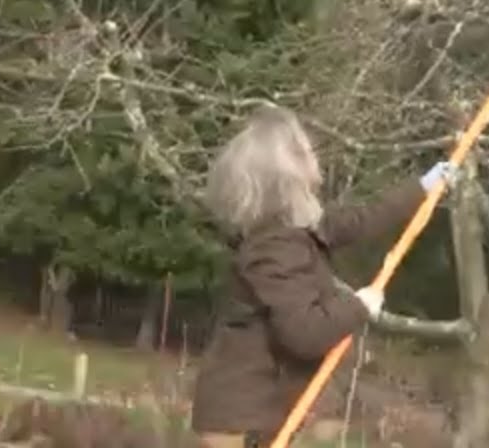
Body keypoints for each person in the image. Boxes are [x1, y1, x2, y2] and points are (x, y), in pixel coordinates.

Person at [190, 105, 454, 448]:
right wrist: (358, 306)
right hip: (240, 419)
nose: (313, 161)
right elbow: (305, 332)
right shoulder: (272, 248)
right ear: (285, 176)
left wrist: (423, 187)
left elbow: (363, 219)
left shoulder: (298, 229)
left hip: (264, 413)